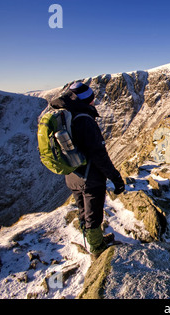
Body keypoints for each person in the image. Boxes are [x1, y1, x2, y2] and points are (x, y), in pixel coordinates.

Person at [50, 82, 125, 260]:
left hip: (73, 174)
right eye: (92, 99)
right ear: (87, 100)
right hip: (89, 177)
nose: (94, 102)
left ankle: (92, 239)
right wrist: (116, 178)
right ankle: (97, 248)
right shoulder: (84, 119)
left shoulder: (67, 115)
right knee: (93, 213)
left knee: (83, 210)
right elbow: (99, 154)